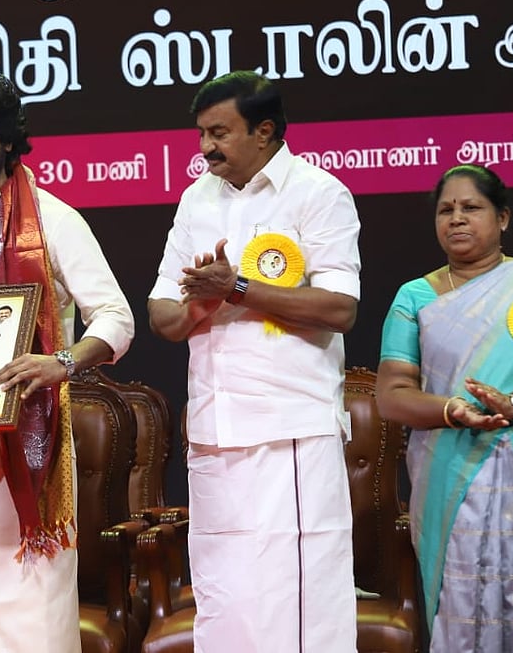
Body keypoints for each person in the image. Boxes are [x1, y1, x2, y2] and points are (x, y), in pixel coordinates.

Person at [0, 69, 134, 653]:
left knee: (29, 613)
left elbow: (116, 319)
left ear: (8, 140)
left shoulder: (54, 220)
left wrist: (60, 361)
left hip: (31, 442)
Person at [148, 71, 360, 653]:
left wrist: (237, 288)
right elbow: (163, 315)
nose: (206, 147)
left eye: (219, 132)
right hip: (214, 432)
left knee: (298, 599)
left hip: (289, 428)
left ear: (264, 131)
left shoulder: (319, 193)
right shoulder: (197, 199)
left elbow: (340, 308)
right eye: (201, 134)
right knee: (226, 596)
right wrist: (204, 301)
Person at [376, 164, 513, 651]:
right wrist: (451, 409)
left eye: (471, 207)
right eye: (446, 210)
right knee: (462, 606)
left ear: (503, 218)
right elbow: (392, 393)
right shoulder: (415, 298)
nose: (456, 218)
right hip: (451, 473)